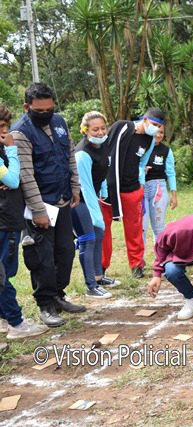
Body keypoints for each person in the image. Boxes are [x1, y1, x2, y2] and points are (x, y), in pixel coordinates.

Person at [12, 83, 86, 326]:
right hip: (39, 205)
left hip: (62, 199)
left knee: (65, 251)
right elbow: (26, 175)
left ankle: (58, 295)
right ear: (27, 107)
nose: (46, 114)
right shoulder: (20, 133)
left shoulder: (60, 123)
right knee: (41, 256)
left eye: (49, 109)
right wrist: (38, 210)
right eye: (40, 111)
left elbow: (69, 156)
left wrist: (75, 188)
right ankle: (45, 304)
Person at [0, 105, 49, 339]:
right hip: (4, 222)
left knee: (4, 272)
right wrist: (12, 150)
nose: (4, 132)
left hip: (8, 219)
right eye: (0, 127)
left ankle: (3, 318)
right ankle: (16, 322)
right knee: (3, 274)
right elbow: (12, 180)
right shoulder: (6, 149)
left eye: (5, 127)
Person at [104, 107, 162, 279]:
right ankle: (101, 266)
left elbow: (142, 164)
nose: (155, 129)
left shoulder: (149, 140)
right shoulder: (123, 127)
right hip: (109, 188)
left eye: (159, 126)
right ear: (144, 119)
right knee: (104, 229)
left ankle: (137, 265)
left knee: (135, 228)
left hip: (132, 189)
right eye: (153, 124)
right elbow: (107, 153)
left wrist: (140, 186)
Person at [72, 111, 113, 299]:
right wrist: (96, 214)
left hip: (91, 194)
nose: (100, 132)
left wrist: (103, 189)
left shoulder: (103, 145)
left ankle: (98, 277)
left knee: (98, 234)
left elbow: (102, 169)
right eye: (95, 129)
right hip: (78, 199)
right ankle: (91, 286)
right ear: (85, 130)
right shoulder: (82, 154)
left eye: (103, 128)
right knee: (89, 237)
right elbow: (85, 187)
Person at [143, 126, 177, 248]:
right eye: (156, 132)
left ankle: (160, 256)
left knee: (159, 227)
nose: (158, 135)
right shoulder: (141, 147)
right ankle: (139, 258)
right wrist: (141, 170)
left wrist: (174, 195)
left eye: (161, 132)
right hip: (141, 189)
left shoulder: (166, 151)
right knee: (142, 227)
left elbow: (171, 173)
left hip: (159, 189)